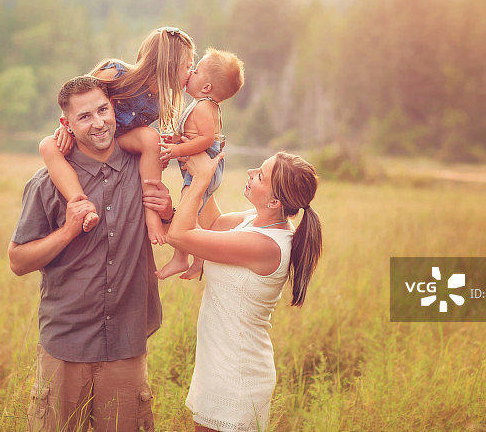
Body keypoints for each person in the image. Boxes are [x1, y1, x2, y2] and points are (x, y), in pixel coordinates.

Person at [9, 75, 175, 432]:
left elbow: (173, 232)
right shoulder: (47, 183)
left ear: (114, 108)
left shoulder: (143, 169)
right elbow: (18, 261)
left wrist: (168, 213)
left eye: (103, 110)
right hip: (65, 345)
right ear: (66, 125)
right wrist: (68, 230)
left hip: (126, 345)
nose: (99, 123)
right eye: (85, 117)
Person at [159, 150, 323, 432]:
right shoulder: (255, 220)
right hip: (218, 363)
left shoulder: (266, 245)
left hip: (237, 374)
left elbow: (180, 236)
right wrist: (192, 159)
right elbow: (209, 225)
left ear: (275, 201)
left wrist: (200, 178)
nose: (249, 173)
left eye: (260, 175)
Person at [39, 26, 195, 245]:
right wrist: (67, 128)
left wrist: (168, 147)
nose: (191, 72)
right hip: (91, 134)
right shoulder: (116, 74)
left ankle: (152, 217)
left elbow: (148, 138)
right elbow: (75, 97)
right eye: (187, 66)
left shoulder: (161, 102)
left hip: (117, 141)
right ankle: (81, 204)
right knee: (48, 145)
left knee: (151, 138)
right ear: (169, 65)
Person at [155, 47, 244, 280]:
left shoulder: (205, 107)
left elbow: (204, 140)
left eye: (195, 71)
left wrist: (176, 150)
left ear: (206, 87)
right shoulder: (201, 104)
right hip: (199, 169)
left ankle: (190, 258)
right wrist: (175, 139)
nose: (190, 72)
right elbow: (194, 135)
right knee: (188, 211)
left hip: (205, 168)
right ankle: (191, 259)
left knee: (186, 212)